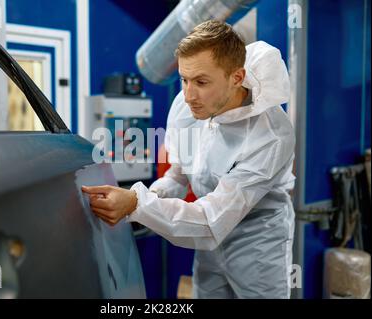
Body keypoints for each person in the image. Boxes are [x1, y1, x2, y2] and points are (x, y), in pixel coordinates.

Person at [82, 20, 295, 299]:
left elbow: (211, 222)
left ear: (237, 77)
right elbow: (178, 176)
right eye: (184, 79)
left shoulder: (269, 136)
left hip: (257, 245)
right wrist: (148, 197)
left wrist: (137, 204)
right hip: (207, 246)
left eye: (201, 82)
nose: (188, 95)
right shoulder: (188, 106)